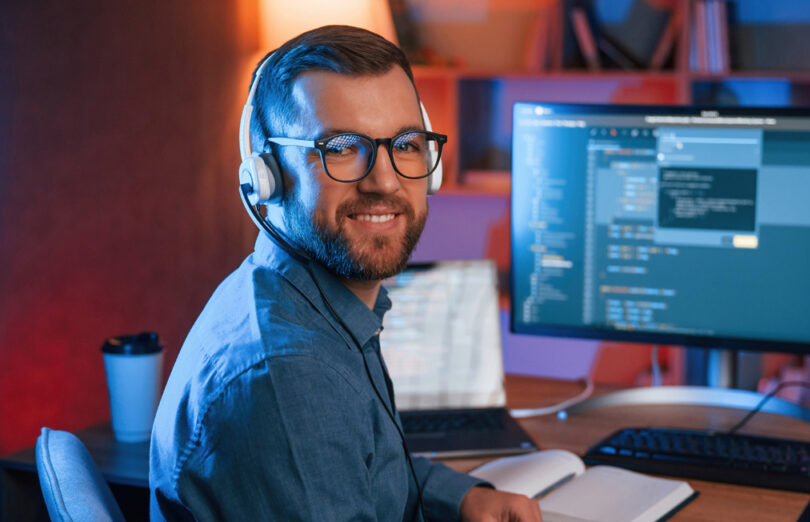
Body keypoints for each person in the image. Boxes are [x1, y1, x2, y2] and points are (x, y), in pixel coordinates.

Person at [149, 25, 541, 521]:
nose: (385, 180)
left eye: (405, 143)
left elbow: (367, 466)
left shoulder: (314, 304)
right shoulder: (289, 377)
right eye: (340, 148)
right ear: (266, 174)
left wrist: (462, 497)